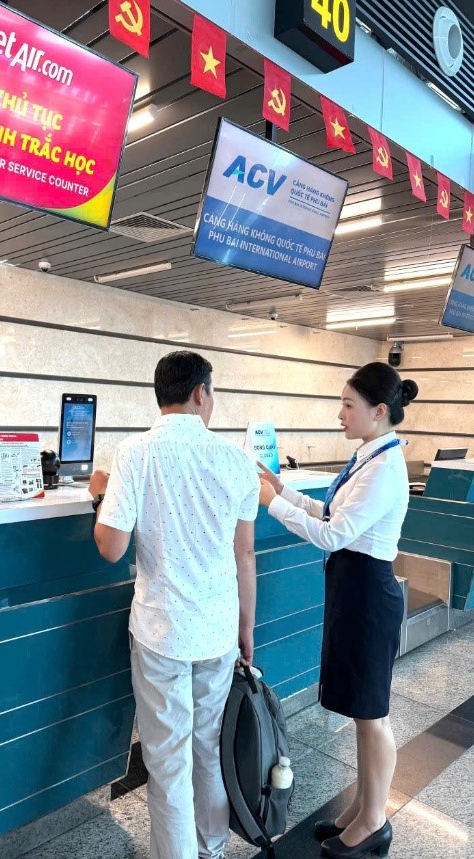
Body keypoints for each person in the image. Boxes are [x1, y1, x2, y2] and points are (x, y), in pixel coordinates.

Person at [89, 350, 259, 859]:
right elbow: (244, 553)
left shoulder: (135, 453)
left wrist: (101, 498)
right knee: (209, 744)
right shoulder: (236, 459)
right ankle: (212, 847)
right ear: (201, 392)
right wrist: (246, 627)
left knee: (167, 760)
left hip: (161, 629)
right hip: (218, 628)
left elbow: (111, 548)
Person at [259, 362, 418, 859]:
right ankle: (364, 807)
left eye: (349, 405)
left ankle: (374, 821)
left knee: (373, 715)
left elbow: (334, 534)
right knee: (361, 712)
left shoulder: (385, 468)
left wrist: (272, 506)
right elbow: (332, 513)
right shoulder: (370, 456)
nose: (340, 414)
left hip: (369, 597)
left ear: (379, 410)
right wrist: (283, 491)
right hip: (354, 593)